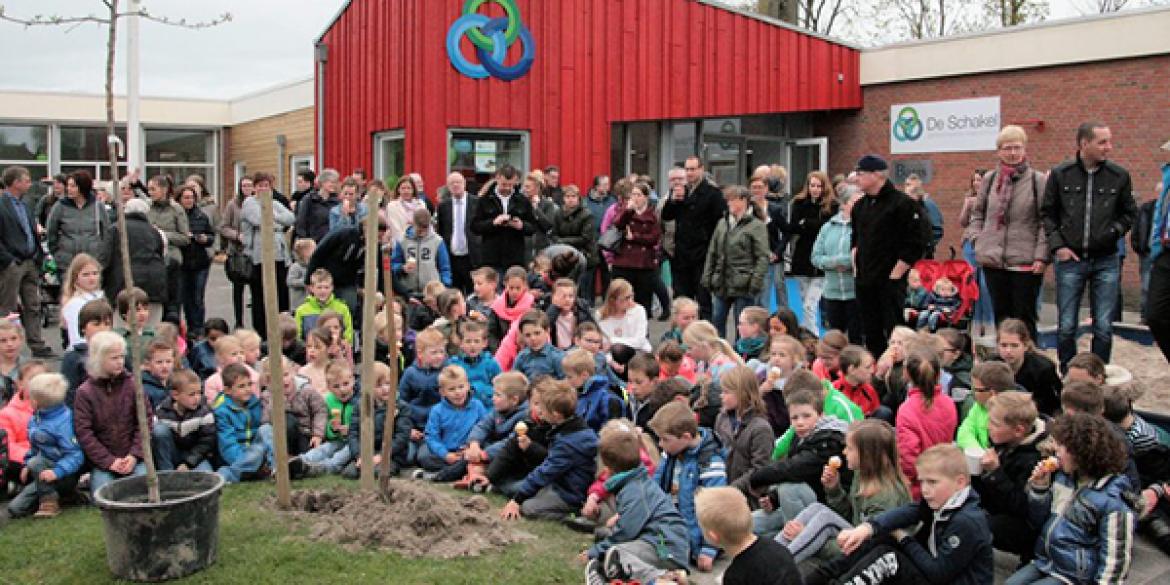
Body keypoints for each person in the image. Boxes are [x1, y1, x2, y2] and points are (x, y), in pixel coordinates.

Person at [817, 444, 993, 585]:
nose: (925, 489)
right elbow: (911, 511)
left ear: (960, 482)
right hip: (933, 573)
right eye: (922, 481)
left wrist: (903, 538)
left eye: (932, 482)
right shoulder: (945, 500)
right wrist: (868, 527)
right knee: (881, 537)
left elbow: (938, 574)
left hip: (943, 578)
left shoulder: (967, 522)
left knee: (889, 558)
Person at [1041, 121, 1136, 371]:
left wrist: (1113, 232)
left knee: (1104, 325)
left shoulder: (1119, 176)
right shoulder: (1061, 174)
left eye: (1109, 141)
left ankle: (1097, 373)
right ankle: (1068, 372)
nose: (1109, 147)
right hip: (1070, 259)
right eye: (1102, 142)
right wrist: (1057, 246)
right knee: (1067, 324)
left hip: (1106, 258)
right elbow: (1048, 214)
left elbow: (1129, 213)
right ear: (1084, 144)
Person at [1006, 413, 1136, 585]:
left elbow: (1115, 560)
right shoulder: (1063, 479)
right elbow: (1039, 521)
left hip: (1076, 576)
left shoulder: (1112, 500)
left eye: (1062, 447)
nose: (1056, 451)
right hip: (1047, 561)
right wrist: (1040, 489)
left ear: (1081, 453)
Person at [778, 419, 911, 566]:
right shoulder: (861, 474)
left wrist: (807, 537)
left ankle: (776, 568)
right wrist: (834, 489)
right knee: (816, 509)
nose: (844, 452)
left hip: (871, 557)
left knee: (825, 519)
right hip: (855, 538)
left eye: (849, 448)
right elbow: (849, 515)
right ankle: (769, 557)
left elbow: (867, 550)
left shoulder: (885, 498)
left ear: (866, 455)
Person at [966, 126, 1049, 341]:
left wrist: (1041, 255)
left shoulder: (1037, 180)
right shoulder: (990, 180)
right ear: (999, 151)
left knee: (1024, 319)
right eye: (1007, 148)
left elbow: (1045, 221)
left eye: (1017, 148)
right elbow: (978, 214)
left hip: (1024, 260)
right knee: (1001, 317)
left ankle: (1028, 362)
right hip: (994, 260)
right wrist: (978, 240)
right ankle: (1004, 364)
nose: (1013, 153)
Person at [582, 420, 690, 584]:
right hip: (662, 542)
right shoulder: (635, 481)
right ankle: (672, 574)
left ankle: (658, 580)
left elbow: (625, 534)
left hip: (664, 545)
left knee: (617, 554)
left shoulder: (634, 489)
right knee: (610, 544)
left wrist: (594, 552)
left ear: (607, 465)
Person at [850, 155, 925, 358]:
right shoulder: (859, 206)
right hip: (865, 279)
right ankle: (874, 367)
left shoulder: (903, 204)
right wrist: (856, 266)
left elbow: (916, 243)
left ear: (877, 175)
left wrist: (896, 274)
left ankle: (897, 366)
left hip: (889, 280)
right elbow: (855, 239)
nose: (856, 178)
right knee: (870, 330)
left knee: (893, 329)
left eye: (860, 173)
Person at [645, 401, 727, 572]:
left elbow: (717, 510)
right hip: (670, 528)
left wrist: (709, 549)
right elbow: (655, 488)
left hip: (694, 539)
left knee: (657, 561)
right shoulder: (671, 453)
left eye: (664, 439)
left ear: (686, 437)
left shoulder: (710, 462)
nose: (660, 444)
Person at [500, 380, 598, 521]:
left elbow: (545, 472)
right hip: (561, 484)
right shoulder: (572, 426)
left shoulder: (568, 443)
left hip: (571, 493)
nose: (539, 411)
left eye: (542, 408)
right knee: (514, 489)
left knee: (528, 507)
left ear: (556, 414)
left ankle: (572, 517)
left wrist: (517, 500)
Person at [973, 391, 1048, 562]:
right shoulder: (1003, 441)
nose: (987, 426)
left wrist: (995, 473)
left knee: (976, 526)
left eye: (994, 423)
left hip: (1023, 526)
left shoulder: (1036, 458)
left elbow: (1020, 507)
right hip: (996, 505)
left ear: (1018, 430)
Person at [73, 331, 149, 494]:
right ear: (99, 359)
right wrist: (109, 461)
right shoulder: (85, 393)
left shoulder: (133, 385)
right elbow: (84, 432)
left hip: (133, 457)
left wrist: (134, 455)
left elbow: (144, 422)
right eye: (114, 358)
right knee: (105, 495)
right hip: (104, 462)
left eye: (122, 357)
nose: (120, 362)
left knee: (143, 490)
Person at [6, 373, 82, 519]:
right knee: (15, 509)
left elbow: (76, 455)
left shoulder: (63, 422)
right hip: (42, 475)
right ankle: (65, 497)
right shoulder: (36, 419)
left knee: (37, 463)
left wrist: (57, 472)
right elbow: (35, 448)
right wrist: (27, 464)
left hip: (64, 474)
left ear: (36, 401)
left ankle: (50, 502)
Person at [662, 157, 727, 321]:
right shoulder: (679, 190)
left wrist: (713, 250)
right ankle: (681, 336)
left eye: (693, 169)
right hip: (681, 254)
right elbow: (666, 216)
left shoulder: (712, 193)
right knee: (681, 300)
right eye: (687, 169)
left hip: (702, 253)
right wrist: (673, 201)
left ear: (701, 169)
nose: (689, 173)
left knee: (703, 299)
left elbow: (720, 224)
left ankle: (705, 334)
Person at [702, 185, 769, 340]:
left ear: (744, 201)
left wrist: (755, 282)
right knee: (717, 320)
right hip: (722, 281)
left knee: (743, 324)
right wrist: (708, 277)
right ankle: (720, 353)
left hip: (744, 283)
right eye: (728, 200)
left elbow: (762, 257)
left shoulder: (756, 226)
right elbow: (712, 251)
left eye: (732, 199)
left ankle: (741, 354)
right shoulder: (722, 223)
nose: (729, 203)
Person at [0, 166, 53, 357]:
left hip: (30, 261)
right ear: (15, 182)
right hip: (12, 264)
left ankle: (36, 343)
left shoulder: (26, 205)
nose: (29, 184)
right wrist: (8, 261)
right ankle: (6, 345)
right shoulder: (2, 205)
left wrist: (38, 256)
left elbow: (31, 231)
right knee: (7, 307)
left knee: (33, 304)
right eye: (26, 180)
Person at [895, 347, 957, 501]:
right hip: (944, 476)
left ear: (907, 374)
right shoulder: (949, 403)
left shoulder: (907, 409)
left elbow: (909, 458)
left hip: (920, 488)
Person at [240, 173, 295, 333]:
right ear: (255, 187)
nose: (263, 189)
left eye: (266, 185)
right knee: (261, 296)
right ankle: (263, 331)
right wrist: (277, 223)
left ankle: (282, 329)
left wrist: (274, 218)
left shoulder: (275, 203)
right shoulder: (249, 203)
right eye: (260, 185)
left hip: (279, 256)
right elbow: (260, 219)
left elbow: (290, 218)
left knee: (281, 294)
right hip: (260, 258)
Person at [456, 370, 529, 489]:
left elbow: (511, 442)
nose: (493, 398)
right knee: (472, 451)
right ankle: (473, 476)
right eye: (493, 393)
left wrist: (483, 454)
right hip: (491, 450)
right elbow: (482, 426)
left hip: (510, 456)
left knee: (473, 459)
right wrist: (474, 444)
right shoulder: (497, 410)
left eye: (498, 395)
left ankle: (472, 478)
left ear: (514, 400)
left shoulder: (525, 417)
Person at [416, 365, 488, 481]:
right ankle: (459, 470)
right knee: (424, 455)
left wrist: (472, 447)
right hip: (445, 451)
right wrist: (445, 454)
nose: (458, 392)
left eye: (461, 387)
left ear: (468, 386)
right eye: (452, 389)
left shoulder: (477, 406)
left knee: (483, 453)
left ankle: (441, 475)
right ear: (442, 392)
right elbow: (431, 436)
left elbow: (485, 428)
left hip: (468, 451)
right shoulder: (437, 410)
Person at [787, 171, 839, 335]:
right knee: (804, 302)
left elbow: (826, 226)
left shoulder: (831, 206)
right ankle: (808, 333)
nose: (815, 189)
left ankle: (813, 336)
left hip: (821, 259)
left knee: (810, 304)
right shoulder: (799, 203)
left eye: (819, 186)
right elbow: (795, 226)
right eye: (812, 185)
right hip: (802, 256)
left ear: (824, 187)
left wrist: (807, 223)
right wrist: (810, 225)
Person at [103, 197, 167, 328]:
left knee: (122, 327)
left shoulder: (115, 229)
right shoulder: (155, 232)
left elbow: (105, 258)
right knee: (151, 328)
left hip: (123, 284)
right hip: (154, 284)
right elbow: (162, 255)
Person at [812, 185, 861, 342]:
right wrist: (834, 263)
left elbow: (862, 255)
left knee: (856, 337)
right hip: (832, 292)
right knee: (834, 339)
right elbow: (816, 257)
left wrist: (846, 262)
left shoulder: (863, 226)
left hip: (855, 292)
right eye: (856, 201)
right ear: (845, 204)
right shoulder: (827, 227)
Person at [714, 365, 775, 492]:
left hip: (747, 496)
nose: (721, 396)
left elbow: (759, 469)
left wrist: (732, 489)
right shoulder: (722, 419)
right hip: (721, 488)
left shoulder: (760, 428)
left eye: (726, 392)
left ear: (742, 393)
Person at [212, 363, 276, 483]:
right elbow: (228, 445)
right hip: (240, 456)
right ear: (227, 390)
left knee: (266, 429)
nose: (248, 389)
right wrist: (246, 460)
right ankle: (225, 475)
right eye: (241, 386)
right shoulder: (222, 411)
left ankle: (276, 468)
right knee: (256, 453)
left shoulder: (255, 403)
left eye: (249, 384)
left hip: (256, 450)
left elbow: (262, 435)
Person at [45, 170, 111, 280]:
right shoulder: (60, 206)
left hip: (92, 261)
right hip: (67, 262)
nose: (68, 189)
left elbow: (106, 233)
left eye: (73, 186)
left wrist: (101, 254)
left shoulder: (97, 206)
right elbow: (51, 232)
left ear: (82, 187)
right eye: (68, 186)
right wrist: (58, 254)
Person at [471, 166, 537, 275]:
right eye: (504, 184)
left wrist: (521, 226)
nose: (507, 188)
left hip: (515, 258)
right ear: (497, 179)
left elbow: (533, 227)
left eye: (510, 185)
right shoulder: (485, 200)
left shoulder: (522, 201)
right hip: (491, 257)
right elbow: (474, 226)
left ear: (516, 181)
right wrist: (493, 222)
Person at [610, 181, 661, 313]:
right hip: (623, 262)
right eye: (633, 195)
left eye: (638, 195)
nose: (635, 198)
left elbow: (654, 238)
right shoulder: (626, 212)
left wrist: (635, 237)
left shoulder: (652, 216)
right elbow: (617, 224)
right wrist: (628, 210)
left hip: (643, 264)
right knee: (620, 300)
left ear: (645, 197)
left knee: (642, 304)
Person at [995, 318, 1062, 416]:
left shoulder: (1043, 369)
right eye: (1004, 345)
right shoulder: (992, 364)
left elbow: (1053, 404)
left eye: (1014, 346)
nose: (1008, 351)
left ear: (1025, 346)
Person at [151, 370, 215, 472]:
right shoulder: (161, 412)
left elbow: (206, 443)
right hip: (172, 454)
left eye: (199, 393)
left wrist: (188, 463)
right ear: (175, 395)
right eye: (192, 394)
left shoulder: (205, 412)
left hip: (195, 457)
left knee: (205, 475)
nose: (197, 398)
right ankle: (167, 474)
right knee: (159, 430)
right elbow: (158, 442)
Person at [400, 328, 447, 464]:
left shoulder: (447, 371)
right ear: (420, 353)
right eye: (434, 352)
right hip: (414, 427)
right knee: (407, 457)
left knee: (424, 458)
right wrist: (408, 429)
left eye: (442, 352)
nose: (439, 356)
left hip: (436, 429)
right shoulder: (410, 373)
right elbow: (401, 403)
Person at [552, 185, 599, 304]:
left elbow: (586, 238)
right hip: (565, 258)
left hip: (585, 255)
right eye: (567, 196)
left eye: (573, 196)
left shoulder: (587, 214)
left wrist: (563, 242)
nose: (570, 199)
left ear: (579, 198)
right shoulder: (558, 213)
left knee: (583, 293)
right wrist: (560, 242)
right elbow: (554, 234)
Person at [749, 174, 789, 312]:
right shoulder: (747, 210)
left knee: (775, 287)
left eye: (760, 187)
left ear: (766, 189)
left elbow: (786, 232)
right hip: (751, 257)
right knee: (755, 295)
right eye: (754, 187)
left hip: (772, 256)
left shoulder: (775, 209)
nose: (757, 191)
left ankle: (782, 317)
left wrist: (778, 252)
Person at [391, 208, 452, 297]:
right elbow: (394, 264)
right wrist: (402, 268)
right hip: (408, 292)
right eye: (419, 230)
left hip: (432, 293)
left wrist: (445, 285)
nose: (422, 233)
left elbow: (445, 267)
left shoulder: (437, 241)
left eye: (425, 229)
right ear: (413, 224)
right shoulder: (402, 240)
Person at [436, 172, 480, 294]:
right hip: (452, 258)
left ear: (464, 184)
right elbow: (441, 230)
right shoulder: (443, 206)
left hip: (472, 258)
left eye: (458, 182)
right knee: (454, 293)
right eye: (452, 183)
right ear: (448, 187)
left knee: (473, 293)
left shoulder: (476, 203)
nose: (455, 185)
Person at [59, 253, 104, 351]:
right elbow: (77, 337)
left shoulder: (99, 297)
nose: (92, 278)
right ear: (76, 278)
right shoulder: (75, 303)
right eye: (86, 275)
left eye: (95, 273)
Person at [596, 278, 651, 354]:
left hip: (639, 352)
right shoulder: (600, 315)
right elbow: (604, 345)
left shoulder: (639, 310)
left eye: (632, 296)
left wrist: (613, 340)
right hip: (612, 355)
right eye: (626, 298)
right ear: (613, 300)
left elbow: (639, 341)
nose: (631, 301)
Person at [903, 174, 944, 259]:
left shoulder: (928, 204)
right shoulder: (905, 206)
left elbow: (937, 230)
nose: (907, 188)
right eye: (906, 184)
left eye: (909, 185)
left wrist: (927, 246)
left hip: (923, 254)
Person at [295, 168, 339, 243]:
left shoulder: (336, 201)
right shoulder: (309, 199)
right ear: (323, 182)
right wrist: (305, 242)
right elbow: (301, 223)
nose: (334, 185)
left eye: (335, 182)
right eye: (331, 182)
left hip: (332, 243)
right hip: (313, 243)